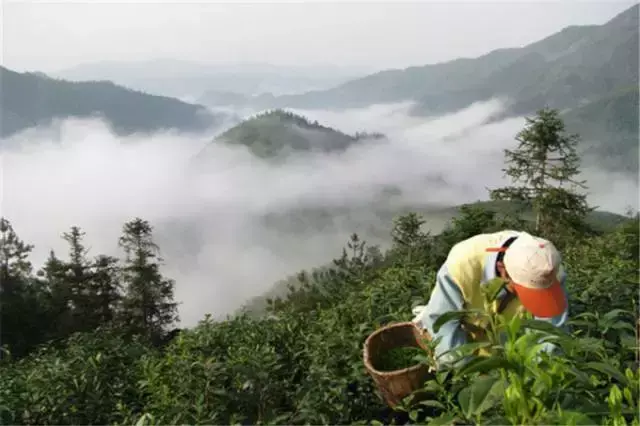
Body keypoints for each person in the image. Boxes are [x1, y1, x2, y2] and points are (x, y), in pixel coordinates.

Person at [412, 230, 570, 369]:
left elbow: (550, 332)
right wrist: (467, 372)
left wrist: (537, 375)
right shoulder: (462, 265)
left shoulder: (547, 268)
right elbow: (443, 326)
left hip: (513, 348)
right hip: (470, 340)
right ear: (503, 270)